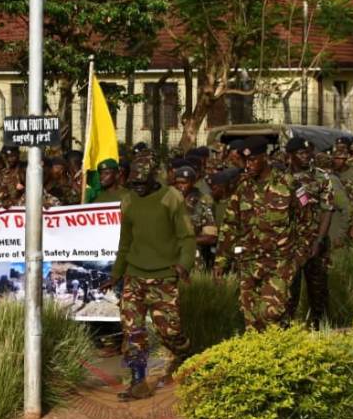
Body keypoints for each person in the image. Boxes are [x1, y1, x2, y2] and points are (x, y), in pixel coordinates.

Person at [102, 160, 195, 401]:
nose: (138, 188)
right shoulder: (129, 200)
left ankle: (188, 357)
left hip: (164, 277)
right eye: (134, 183)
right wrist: (115, 274)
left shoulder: (171, 197)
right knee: (133, 331)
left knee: (170, 332)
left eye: (143, 184)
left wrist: (184, 265)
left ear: (154, 178)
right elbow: (125, 242)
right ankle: (138, 382)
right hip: (135, 275)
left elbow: (186, 236)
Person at [214, 137, 303, 331]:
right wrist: (221, 261)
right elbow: (230, 225)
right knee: (251, 320)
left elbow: (307, 219)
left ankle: (282, 355)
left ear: (265, 158)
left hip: (278, 263)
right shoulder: (243, 188)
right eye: (246, 161)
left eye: (253, 160)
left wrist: (299, 255)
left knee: (271, 313)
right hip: (248, 262)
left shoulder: (288, 184)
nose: (248, 165)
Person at [284, 137, 335, 328]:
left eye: (308, 152)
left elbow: (327, 210)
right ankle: (288, 332)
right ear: (290, 156)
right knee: (289, 292)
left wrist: (319, 241)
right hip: (289, 244)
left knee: (318, 291)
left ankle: (320, 329)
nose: (306, 156)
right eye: (301, 153)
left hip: (315, 243)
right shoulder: (280, 178)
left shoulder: (321, 177)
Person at [170, 164, 218, 271]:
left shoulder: (203, 201)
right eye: (177, 183)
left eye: (184, 183)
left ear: (192, 182)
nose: (180, 186)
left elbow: (211, 237)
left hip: (194, 260)